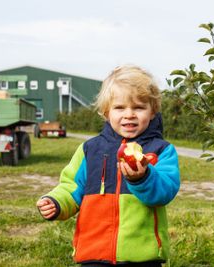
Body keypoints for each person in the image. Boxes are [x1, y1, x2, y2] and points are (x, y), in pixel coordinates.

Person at [36, 65, 180, 266]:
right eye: (119, 108)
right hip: (94, 252)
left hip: (142, 257)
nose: (129, 114)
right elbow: (71, 187)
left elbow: (165, 192)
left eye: (138, 107)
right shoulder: (89, 149)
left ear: (153, 111)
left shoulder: (161, 151)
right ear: (106, 112)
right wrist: (56, 202)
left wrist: (143, 178)